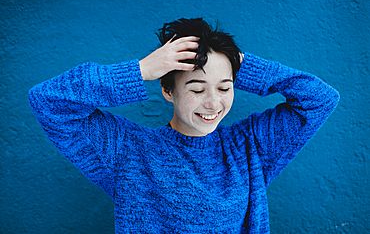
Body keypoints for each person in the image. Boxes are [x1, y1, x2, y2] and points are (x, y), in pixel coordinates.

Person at [28, 18, 339, 233]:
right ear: (167, 91)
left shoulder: (251, 147)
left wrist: (240, 64)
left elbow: (320, 99)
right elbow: (47, 101)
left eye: (224, 87)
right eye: (197, 89)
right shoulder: (128, 151)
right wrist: (140, 70)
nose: (213, 103)